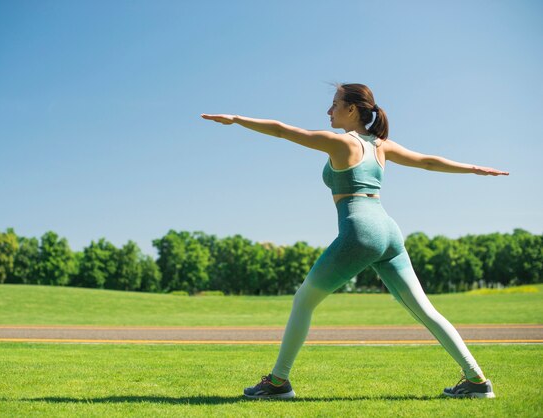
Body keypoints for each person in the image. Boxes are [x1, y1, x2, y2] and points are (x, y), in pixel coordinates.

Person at [201, 82, 508, 400]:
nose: (329, 110)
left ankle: (278, 382)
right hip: (388, 231)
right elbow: (427, 161)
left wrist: (237, 118)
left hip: (360, 233)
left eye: (334, 104)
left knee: (303, 300)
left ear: (352, 109)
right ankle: (477, 381)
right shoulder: (380, 145)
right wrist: (472, 169)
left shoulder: (343, 143)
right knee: (425, 310)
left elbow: (282, 130)